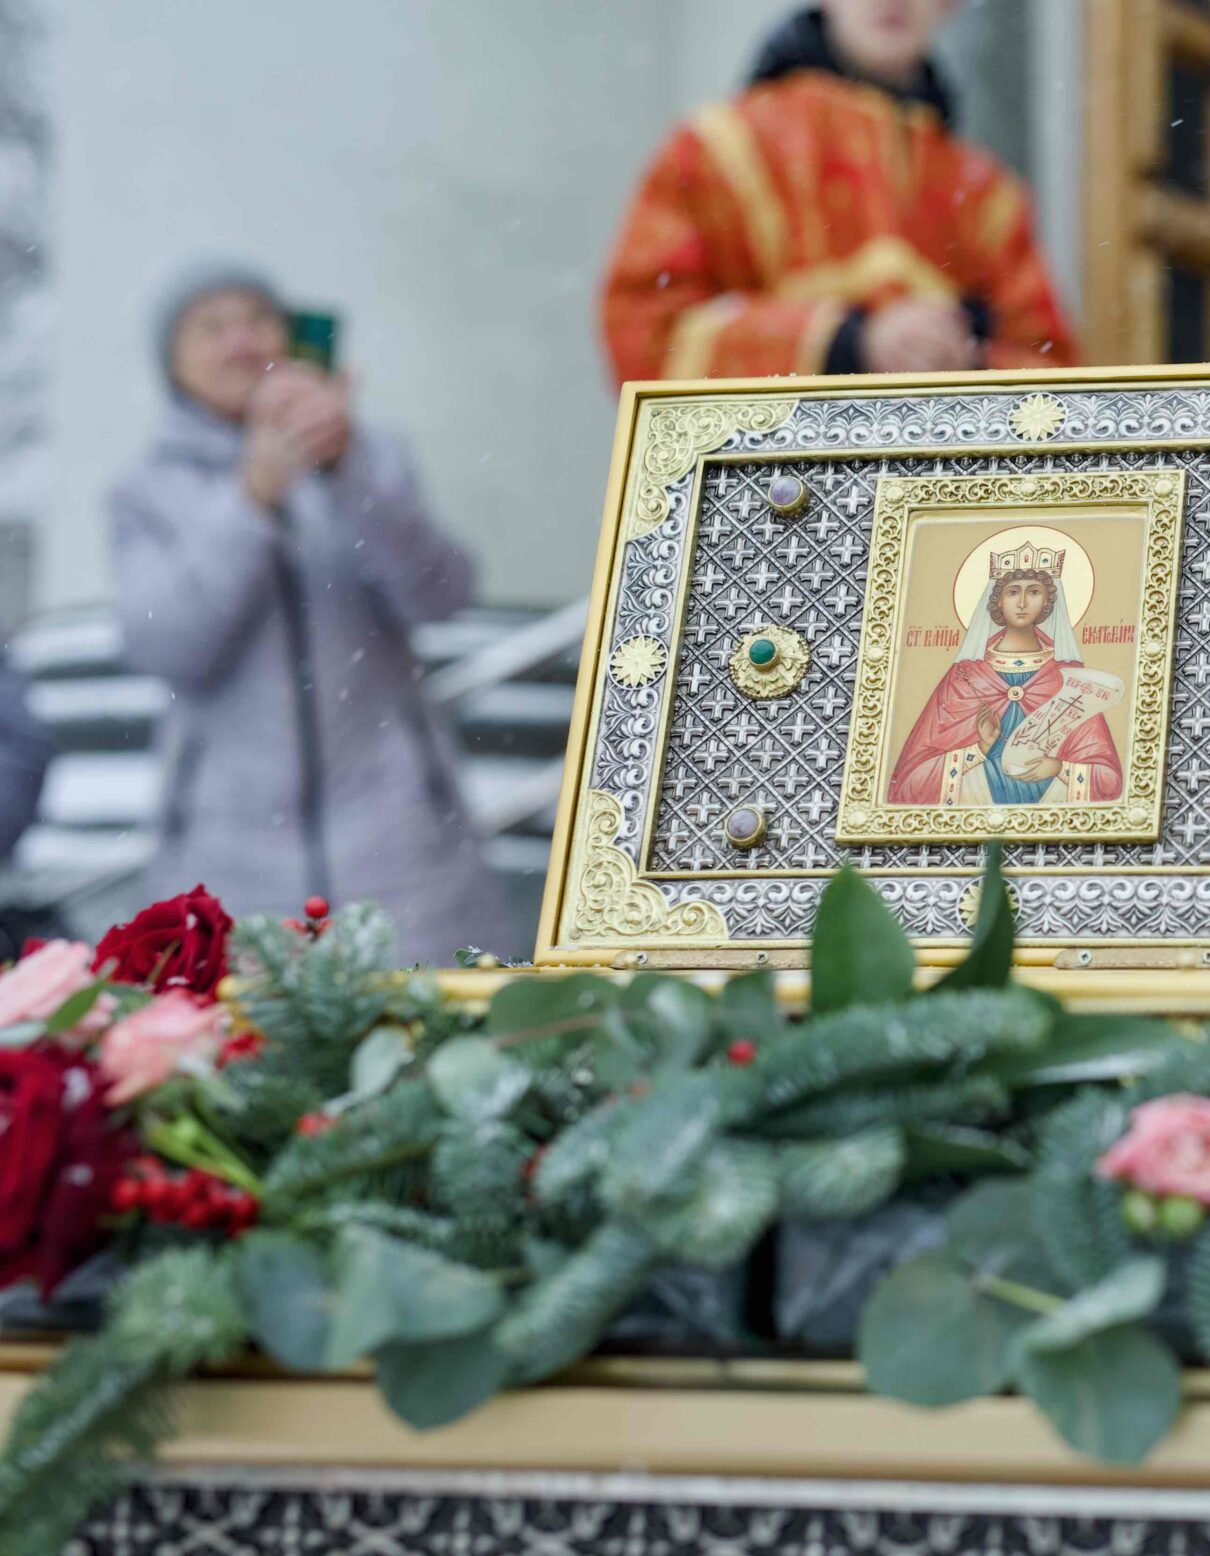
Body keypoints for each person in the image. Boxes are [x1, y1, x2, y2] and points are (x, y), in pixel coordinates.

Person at [107, 261, 510, 965]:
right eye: (211, 327)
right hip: (227, 855)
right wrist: (251, 501)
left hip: (401, 845)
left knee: (419, 1019)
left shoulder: (371, 453)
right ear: (172, 361)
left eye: (257, 320)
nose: (240, 341)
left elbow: (443, 595)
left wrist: (349, 472)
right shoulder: (146, 489)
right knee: (248, 1027)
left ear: (290, 338)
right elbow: (164, 646)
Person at [599, 0, 1081, 383]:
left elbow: (1051, 380)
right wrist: (843, 345)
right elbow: (644, 335)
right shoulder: (717, 151)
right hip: (772, 476)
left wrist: (963, 359)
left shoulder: (986, 193)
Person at [888, 543, 1120, 806]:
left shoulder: (1069, 678)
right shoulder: (965, 676)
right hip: (976, 798)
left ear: (1048, 601)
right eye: (1012, 592)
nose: (1022, 603)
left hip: (1052, 801)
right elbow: (910, 783)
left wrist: (1059, 767)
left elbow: (1108, 779)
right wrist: (979, 750)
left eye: (1034, 592)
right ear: (997, 600)